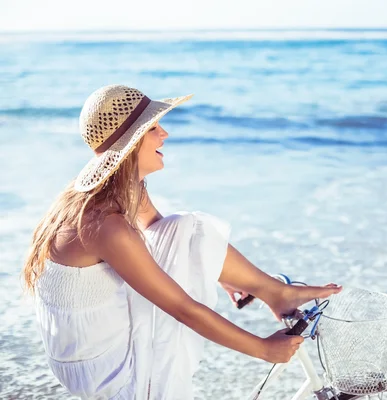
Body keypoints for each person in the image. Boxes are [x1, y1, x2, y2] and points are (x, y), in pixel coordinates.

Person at [22, 84, 342, 399]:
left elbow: (170, 233)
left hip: (91, 340)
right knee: (181, 302)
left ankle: (275, 293)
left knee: (188, 226)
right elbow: (182, 309)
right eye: (153, 128)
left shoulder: (120, 190)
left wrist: (215, 267)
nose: (165, 134)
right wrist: (262, 349)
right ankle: (277, 293)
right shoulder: (106, 224)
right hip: (102, 371)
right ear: (130, 144)